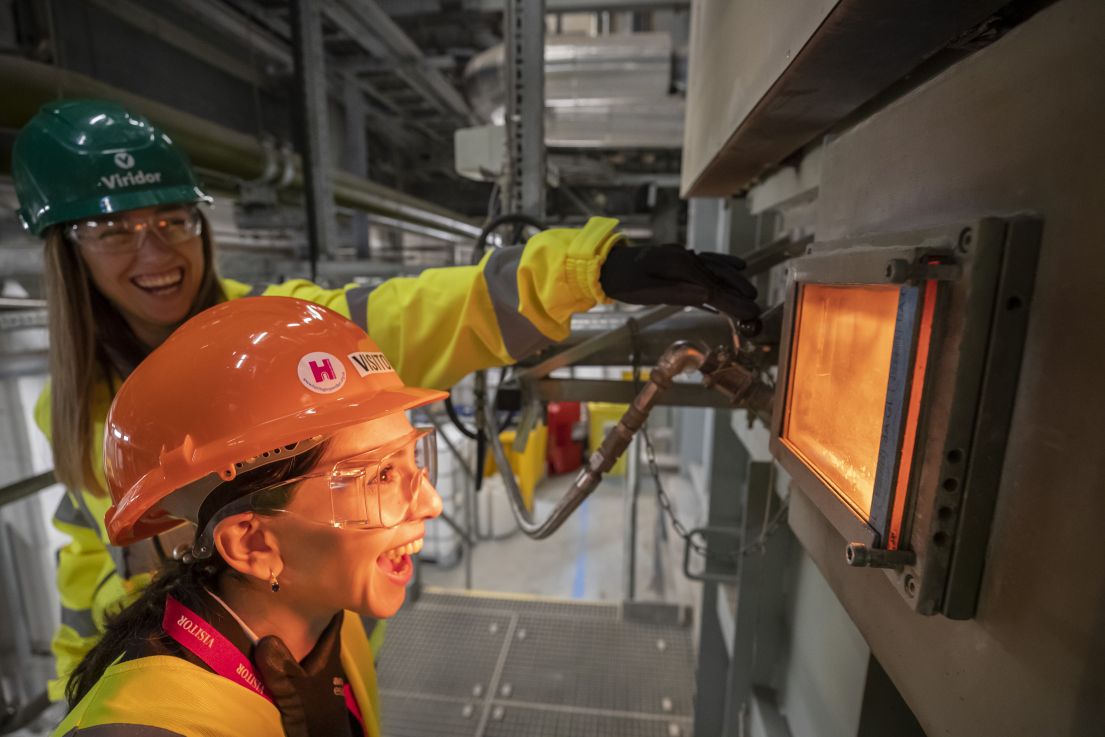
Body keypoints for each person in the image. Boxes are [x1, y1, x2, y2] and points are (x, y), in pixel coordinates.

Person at [10, 98, 760, 701]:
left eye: (173, 219)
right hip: (195, 669)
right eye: (114, 229)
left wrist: (590, 272)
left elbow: (434, 308)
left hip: (317, 659)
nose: (156, 251)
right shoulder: (75, 415)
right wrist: (99, 694)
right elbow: (88, 573)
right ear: (65, 250)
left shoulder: (285, 337)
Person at [54, 297, 449, 737]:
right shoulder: (149, 728)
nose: (432, 503)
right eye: (380, 477)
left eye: (414, 458)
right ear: (253, 544)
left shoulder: (330, 618)